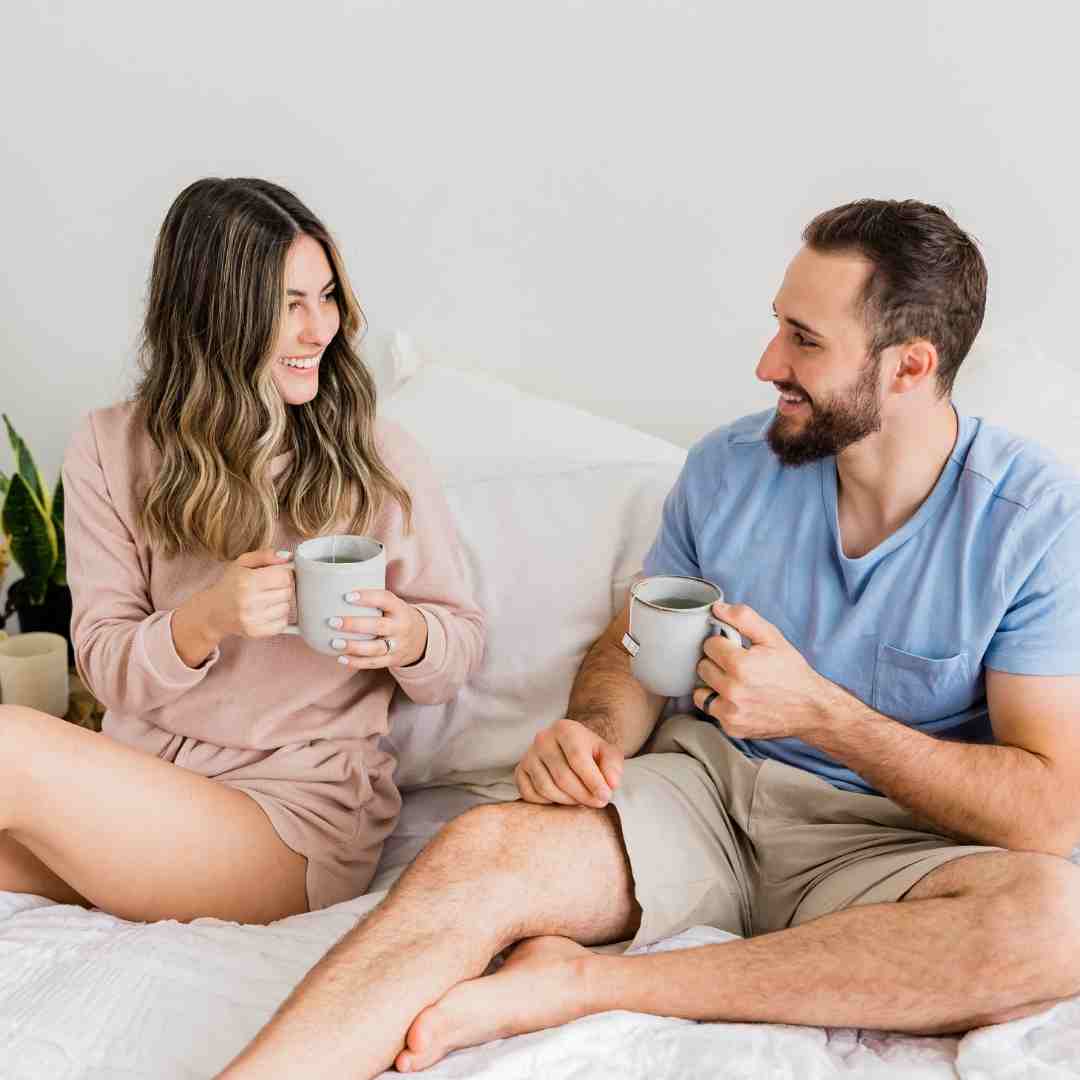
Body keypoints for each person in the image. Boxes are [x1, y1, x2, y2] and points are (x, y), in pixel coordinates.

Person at [219, 199, 1080, 1078]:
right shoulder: (730, 467)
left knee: (1056, 924)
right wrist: (592, 736)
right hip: (707, 800)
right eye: (776, 326)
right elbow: (632, 643)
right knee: (483, 848)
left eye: (804, 340)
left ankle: (593, 984)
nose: (767, 363)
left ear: (910, 367)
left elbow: (1048, 815)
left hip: (894, 847)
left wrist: (824, 716)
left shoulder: (1034, 524)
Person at [0, 178, 484, 924]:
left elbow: (458, 649)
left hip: (290, 819)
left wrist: (408, 635)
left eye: (326, 297)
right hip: (139, 786)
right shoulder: (108, 446)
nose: (319, 328)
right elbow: (101, 659)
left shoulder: (377, 456)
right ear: (215, 313)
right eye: (290, 304)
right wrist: (206, 619)